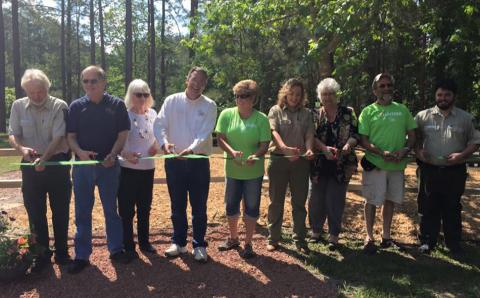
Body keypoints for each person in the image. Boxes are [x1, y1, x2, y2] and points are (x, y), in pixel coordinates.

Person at [66, 65, 131, 274]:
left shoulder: (117, 105)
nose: (89, 85)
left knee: (111, 210)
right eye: (85, 81)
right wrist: (80, 152)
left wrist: (113, 155)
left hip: (109, 167)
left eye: (93, 81)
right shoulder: (76, 107)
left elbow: (123, 134)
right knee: (82, 212)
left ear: (103, 82)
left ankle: (116, 250)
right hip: (83, 167)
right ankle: (82, 255)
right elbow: (71, 137)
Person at [8, 69, 71, 271]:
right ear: (25, 90)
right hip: (30, 163)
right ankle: (42, 254)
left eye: (40, 91)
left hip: (56, 163)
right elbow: (13, 134)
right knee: (35, 212)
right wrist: (22, 149)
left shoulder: (59, 106)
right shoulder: (18, 106)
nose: (37, 96)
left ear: (47, 88)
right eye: (32, 92)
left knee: (60, 210)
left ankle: (62, 252)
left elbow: (59, 137)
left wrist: (44, 159)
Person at [153, 66, 217, 263]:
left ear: (205, 85)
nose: (197, 83)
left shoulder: (209, 105)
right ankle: (178, 242)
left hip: (197, 162)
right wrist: (164, 143)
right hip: (174, 162)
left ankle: (199, 244)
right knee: (177, 204)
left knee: (199, 206)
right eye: (194, 79)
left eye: (202, 81)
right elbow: (159, 124)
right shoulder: (172, 100)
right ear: (187, 79)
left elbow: (204, 132)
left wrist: (191, 149)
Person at [415, 78, 480, 254]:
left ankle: (453, 242)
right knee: (428, 206)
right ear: (435, 96)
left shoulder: (466, 118)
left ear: (454, 96)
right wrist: (420, 153)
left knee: (452, 206)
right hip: (430, 169)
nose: (443, 98)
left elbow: (475, 142)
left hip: (455, 170)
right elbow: (414, 140)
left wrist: (462, 155)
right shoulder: (422, 116)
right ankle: (428, 241)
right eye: (439, 94)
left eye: (447, 95)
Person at [358, 73, 416, 254]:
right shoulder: (368, 111)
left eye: (389, 85)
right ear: (375, 90)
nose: (386, 88)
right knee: (371, 200)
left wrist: (405, 150)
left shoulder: (403, 110)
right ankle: (369, 236)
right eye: (382, 86)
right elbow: (363, 140)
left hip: (397, 166)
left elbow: (413, 135)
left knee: (390, 201)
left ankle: (386, 236)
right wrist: (380, 152)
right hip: (376, 164)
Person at [215, 80, 271, 258]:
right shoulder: (226, 114)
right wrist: (232, 151)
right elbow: (220, 138)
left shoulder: (261, 118)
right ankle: (233, 238)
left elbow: (265, 144)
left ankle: (248, 243)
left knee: (252, 206)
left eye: (244, 96)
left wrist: (256, 155)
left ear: (253, 98)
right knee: (231, 205)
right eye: (237, 96)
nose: (240, 100)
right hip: (232, 171)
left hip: (253, 173)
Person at [308, 78, 359, 250]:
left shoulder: (348, 112)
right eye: (324, 94)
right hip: (319, 162)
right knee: (316, 198)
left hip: (341, 163)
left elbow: (355, 134)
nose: (328, 97)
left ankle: (333, 235)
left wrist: (347, 146)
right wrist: (323, 149)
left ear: (336, 95)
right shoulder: (314, 114)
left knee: (335, 199)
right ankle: (315, 231)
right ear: (320, 97)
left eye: (331, 94)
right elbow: (311, 136)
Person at [266, 78, 315, 253]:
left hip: (300, 163)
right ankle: (273, 238)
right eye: (291, 93)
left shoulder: (308, 113)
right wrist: (284, 148)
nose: (294, 97)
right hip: (279, 160)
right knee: (276, 202)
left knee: (299, 203)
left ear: (302, 96)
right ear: (285, 93)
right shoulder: (275, 111)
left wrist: (309, 150)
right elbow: (274, 132)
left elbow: (309, 134)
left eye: (298, 94)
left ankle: (300, 240)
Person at [118, 79, 160, 258]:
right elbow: (118, 141)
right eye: (138, 94)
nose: (142, 98)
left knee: (145, 207)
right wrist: (126, 153)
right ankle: (128, 244)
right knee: (127, 210)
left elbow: (160, 134)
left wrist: (156, 146)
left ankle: (144, 242)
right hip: (128, 169)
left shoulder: (153, 114)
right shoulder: (124, 115)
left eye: (145, 94)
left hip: (148, 168)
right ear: (131, 95)